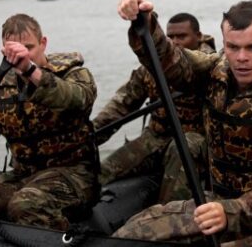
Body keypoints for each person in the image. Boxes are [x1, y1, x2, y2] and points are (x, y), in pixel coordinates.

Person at [113, 0, 252, 246]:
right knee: (134, 231)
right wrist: (145, 23)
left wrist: (229, 212)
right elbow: (172, 61)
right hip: (217, 202)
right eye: (233, 47)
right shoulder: (216, 71)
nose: (241, 57)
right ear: (224, 46)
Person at [0, 14, 98, 230]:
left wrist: (30, 71)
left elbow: (77, 99)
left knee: (25, 205)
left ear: (43, 44)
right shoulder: (0, 90)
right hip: (23, 175)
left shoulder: (74, 74)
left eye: (29, 48)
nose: (22, 56)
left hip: (74, 175)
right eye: (14, 50)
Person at [92, 12, 215, 203]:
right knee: (102, 172)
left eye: (182, 36)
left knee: (183, 149)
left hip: (195, 140)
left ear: (198, 37)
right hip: (157, 137)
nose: (175, 42)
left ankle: (168, 215)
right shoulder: (150, 69)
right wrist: (88, 137)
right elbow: (121, 105)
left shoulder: (211, 67)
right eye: (170, 37)